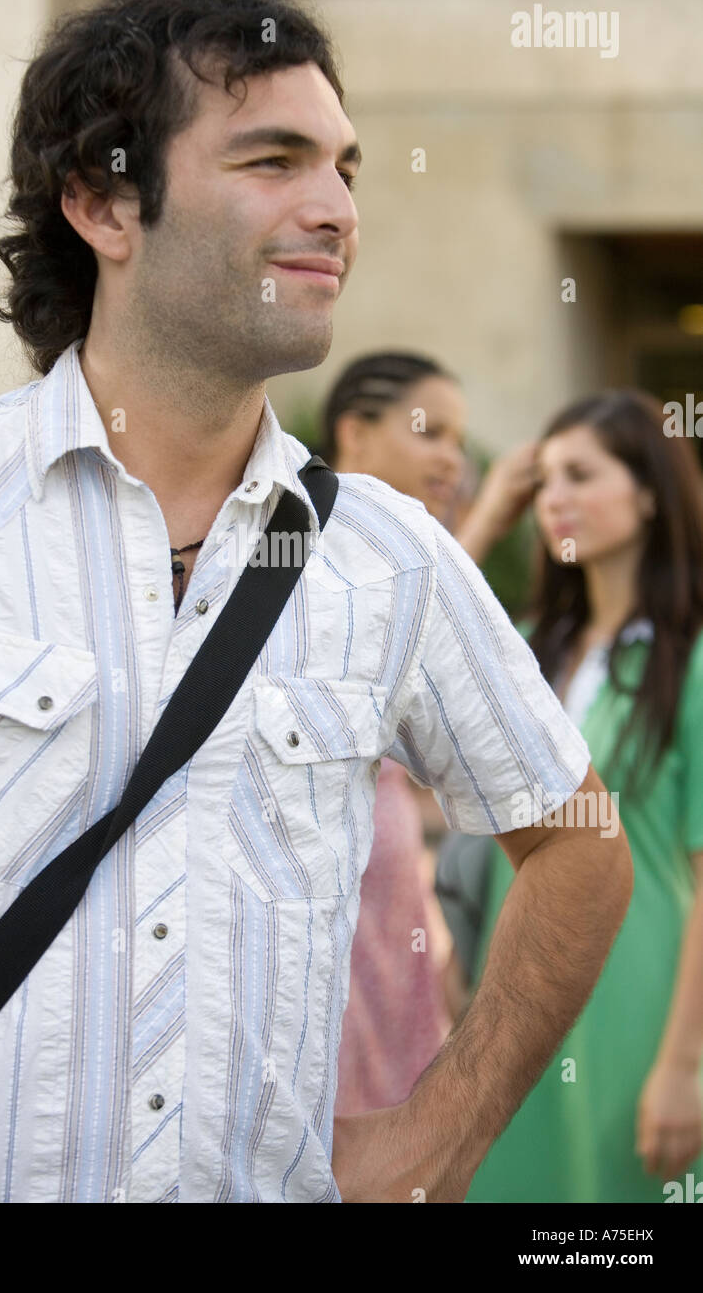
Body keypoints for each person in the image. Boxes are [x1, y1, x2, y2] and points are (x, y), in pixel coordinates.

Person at [0, 0, 631, 1204]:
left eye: (345, 170)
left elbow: (578, 846)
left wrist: (440, 1135)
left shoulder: (389, 553)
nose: (333, 211)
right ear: (102, 200)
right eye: (272, 160)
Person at [466, 389, 703, 1202]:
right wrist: (489, 517)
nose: (554, 499)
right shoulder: (535, 650)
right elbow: (389, 678)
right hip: (521, 999)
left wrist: (686, 1064)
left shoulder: (693, 660)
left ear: (647, 492)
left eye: (581, 474)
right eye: (543, 481)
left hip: (646, 997)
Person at [323, 350, 539, 1113]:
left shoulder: (407, 552)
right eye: (431, 432)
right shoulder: (312, 544)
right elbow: (406, 629)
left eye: (460, 439)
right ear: (355, 432)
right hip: (330, 907)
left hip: (390, 901)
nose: (454, 457)